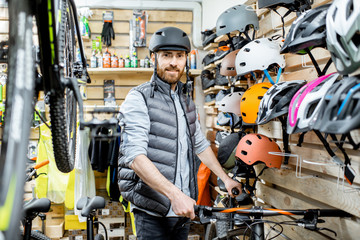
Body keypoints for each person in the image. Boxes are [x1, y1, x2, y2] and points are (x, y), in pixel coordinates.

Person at [118, 26, 242, 240]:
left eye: (179, 56)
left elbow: (200, 145)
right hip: (153, 212)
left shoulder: (186, 100)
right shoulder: (138, 98)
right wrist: (175, 195)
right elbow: (135, 157)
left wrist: (225, 179)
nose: (173, 62)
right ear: (154, 58)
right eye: (166, 55)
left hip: (183, 210)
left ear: (186, 59)